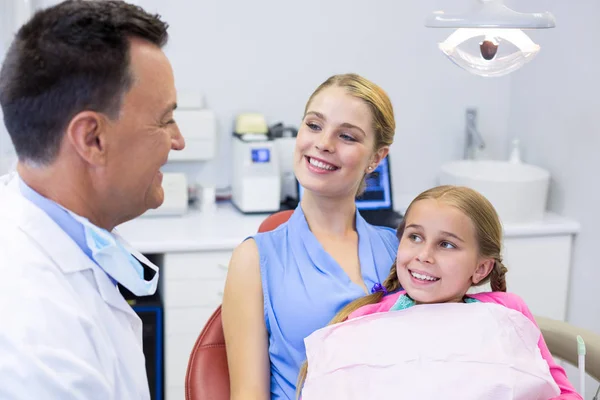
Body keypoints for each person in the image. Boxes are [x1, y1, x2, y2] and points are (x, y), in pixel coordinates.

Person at [0, 1, 184, 399]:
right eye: (165, 119)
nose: (178, 140)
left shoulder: (39, 225)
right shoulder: (37, 344)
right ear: (92, 139)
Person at [297, 185, 581, 399]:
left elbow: (560, 391)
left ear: (481, 268)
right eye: (415, 237)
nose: (424, 255)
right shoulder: (368, 319)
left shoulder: (507, 312)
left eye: (446, 245)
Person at [222, 73, 399, 399]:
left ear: (376, 158)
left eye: (346, 136)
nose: (324, 143)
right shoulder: (255, 260)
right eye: (314, 126)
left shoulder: (400, 251)